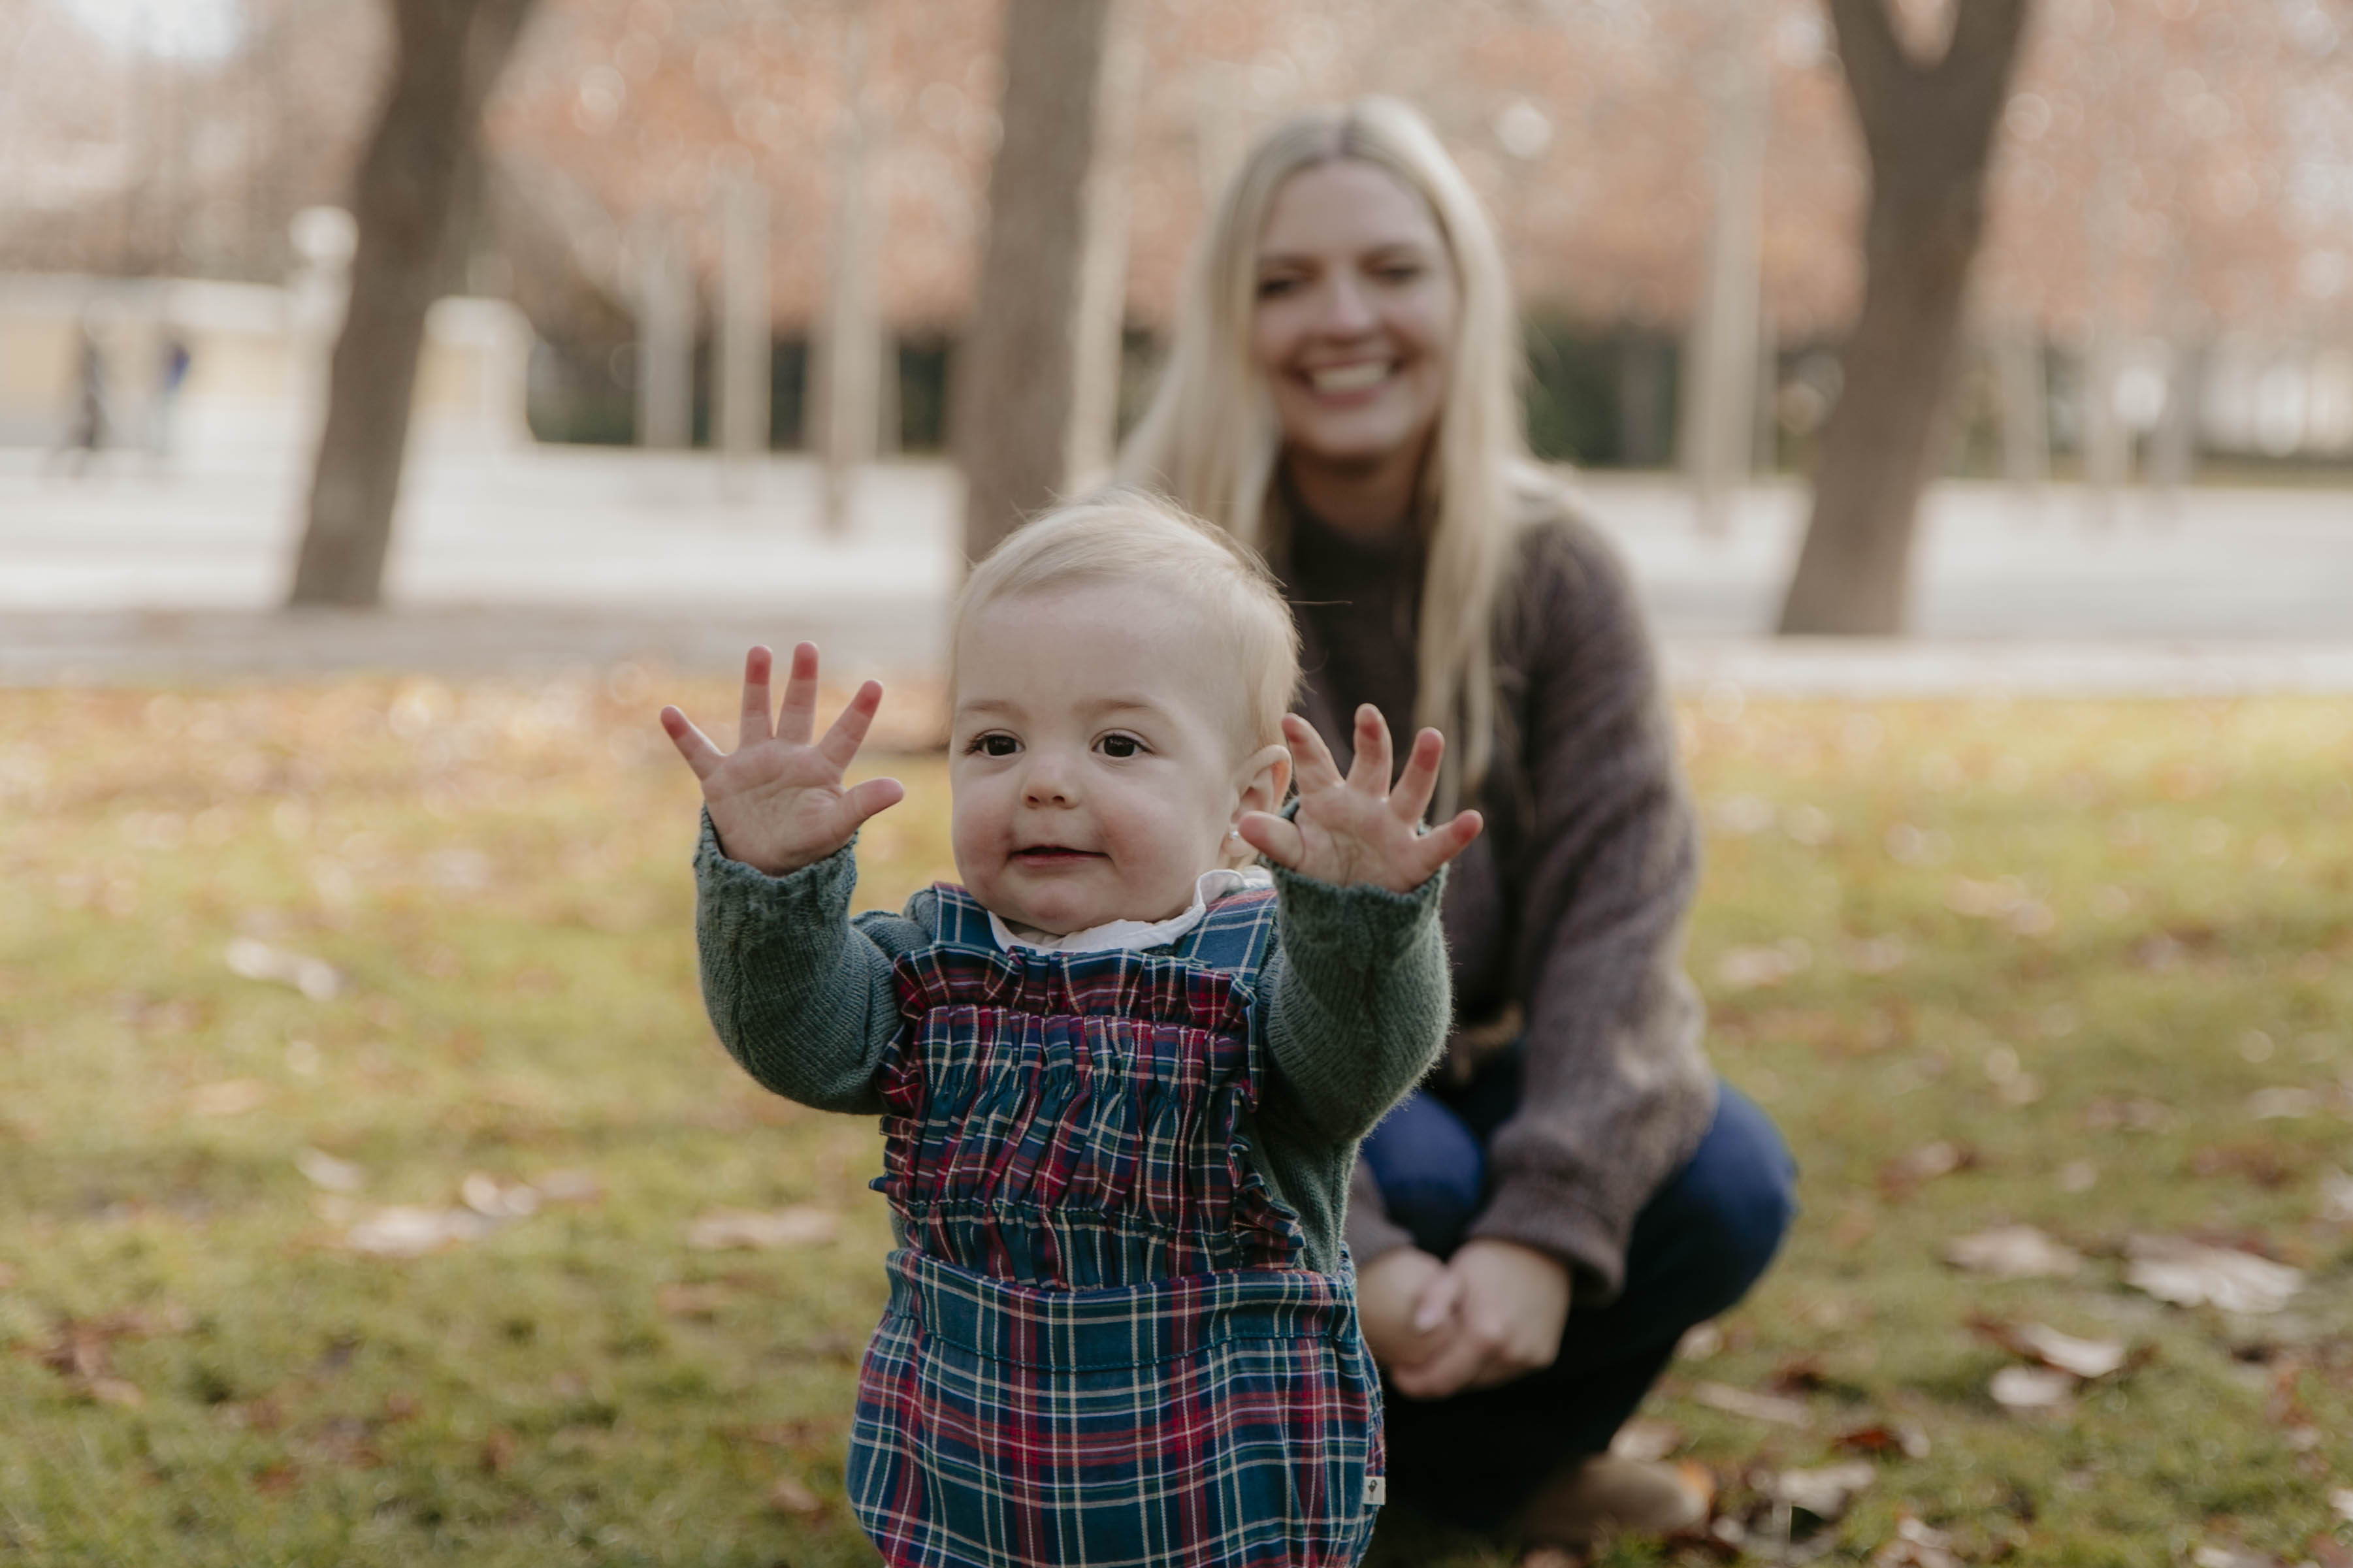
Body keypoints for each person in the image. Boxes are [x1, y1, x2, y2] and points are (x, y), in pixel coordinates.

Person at [1118, 98, 1798, 1549]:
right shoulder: (1148, 574)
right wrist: (1358, 1243)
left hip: (1479, 1069)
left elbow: (1620, 924)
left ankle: (1442, 1488)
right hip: (1199, 1085)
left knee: (1724, 1178)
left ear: (1461, 297)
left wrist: (1545, 1231)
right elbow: (1128, 946)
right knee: (1406, 1161)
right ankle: (1280, 1475)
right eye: (1284, 280)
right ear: (1226, 314)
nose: (1340, 318)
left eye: (1390, 269)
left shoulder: (1557, 575)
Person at [660, 491, 1483, 1567]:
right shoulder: (931, 961)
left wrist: (1360, 924)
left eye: (1118, 743)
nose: (1045, 780)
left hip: (1223, 1484)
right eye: (996, 739)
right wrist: (771, 887)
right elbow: (800, 1038)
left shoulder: (1267, 969)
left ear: (1252, 795)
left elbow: (1358, 1058)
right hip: (972, 1476)